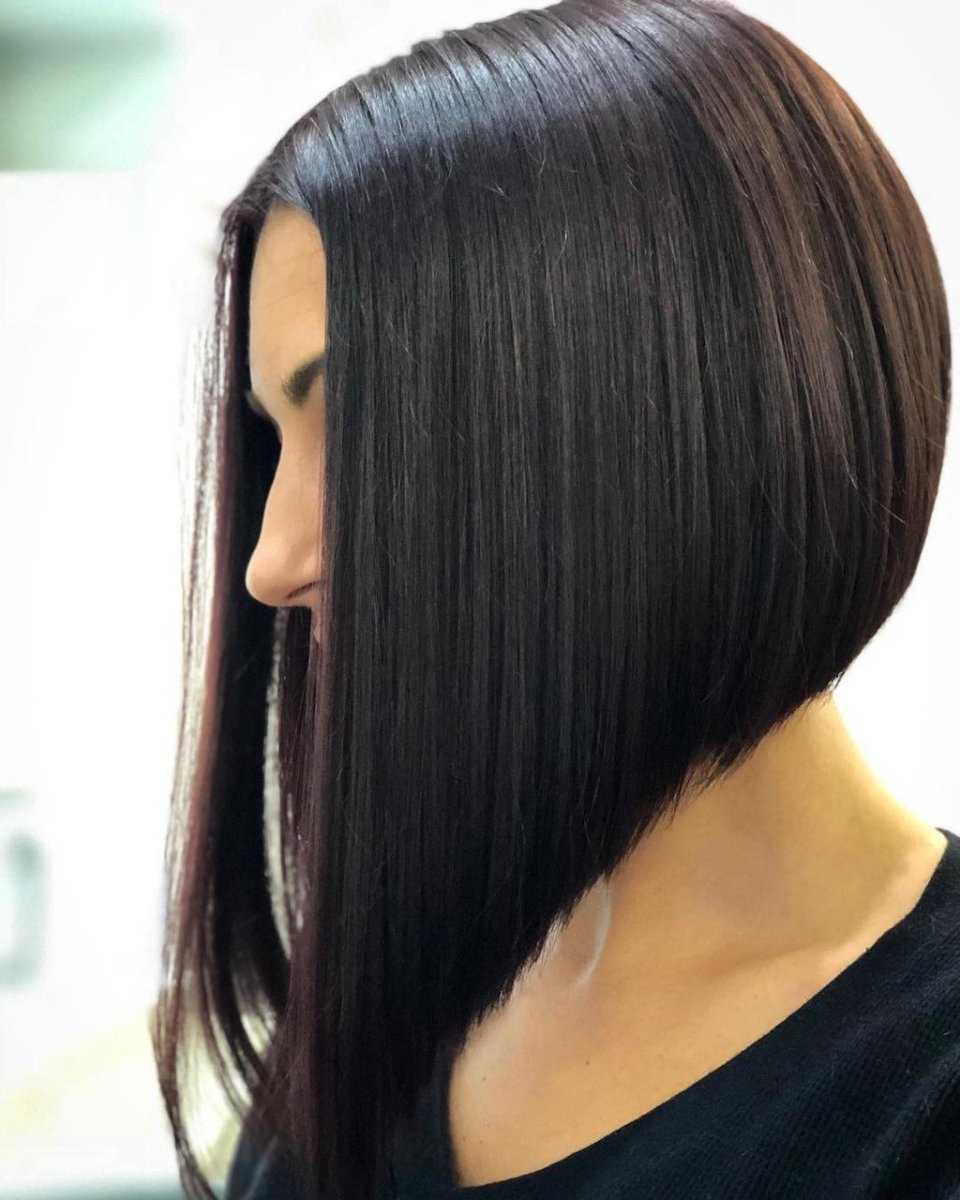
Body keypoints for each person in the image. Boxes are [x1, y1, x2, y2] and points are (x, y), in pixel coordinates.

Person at [151, 1, 958, 1197]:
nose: (272, 560)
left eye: (360, 420)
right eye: (277, 439)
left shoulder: (921, 1099)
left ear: (666, 416)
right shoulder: (401, 999)